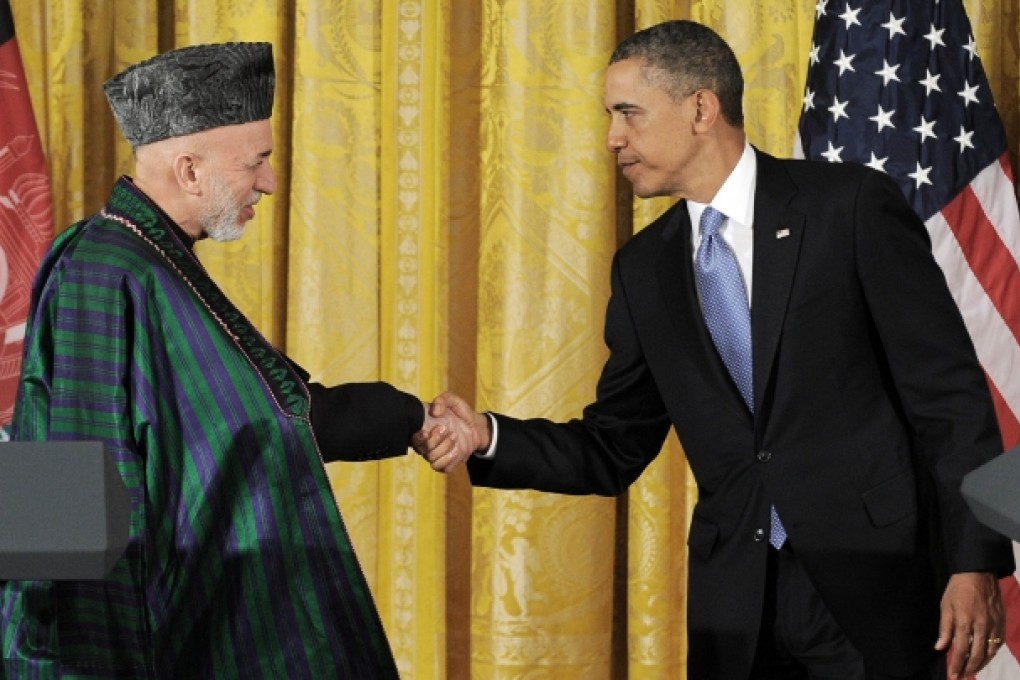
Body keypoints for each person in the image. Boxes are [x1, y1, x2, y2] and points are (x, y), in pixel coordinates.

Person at [416, 20, 1015, 680]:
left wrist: (974, 560)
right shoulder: (644, 269)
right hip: (738, 609)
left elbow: (948, 397)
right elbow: (614, 444)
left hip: (877, 590)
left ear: (701, 107)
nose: (613, 137)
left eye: (628, 113)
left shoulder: (847, 208)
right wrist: (487, 437)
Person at [0, 42, 461, 678]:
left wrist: (410, 417)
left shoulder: (158, 258)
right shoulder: (103, 269)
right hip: (128, 647)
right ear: (190, 171)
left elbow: (274, 413)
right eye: (259, 161)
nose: (270, 181)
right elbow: (67, 497)